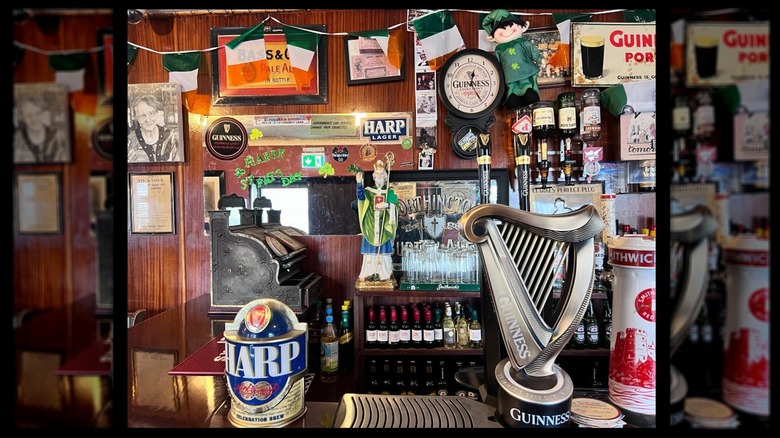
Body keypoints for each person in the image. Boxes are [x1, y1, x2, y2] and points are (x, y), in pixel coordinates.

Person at [482, 9, 542, 110]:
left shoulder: (522, 43)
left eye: (510, 26)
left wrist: (539, 60)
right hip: (509, 76)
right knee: (511, 89)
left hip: (525, 71)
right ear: (492, 37)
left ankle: (529, 91)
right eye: (502, 28)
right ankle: (512, 96)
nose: (507, 30)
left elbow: (533, 51)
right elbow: (496, 64)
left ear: (522, 27)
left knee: (529, 89)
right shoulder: (499, 50)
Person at [356, 158, 398, 282]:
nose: (379, 176)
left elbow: (395, 208)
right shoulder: (369, 191)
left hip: (383, 227)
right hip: (370, 225)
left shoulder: (389, 193)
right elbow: (361, 198)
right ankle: (368, 273)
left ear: (385, 177)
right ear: (374, 177)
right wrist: (359, 183)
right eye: (377, 174)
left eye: (381, 174)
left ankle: (384, 274)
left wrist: (388, 205)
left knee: (384, 255)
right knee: (369, 254)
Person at [13, 94, 69, 163]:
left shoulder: (58, 137)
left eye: (38, 113)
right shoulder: (16, 140)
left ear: (43, 113)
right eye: (29, 115)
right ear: (22, 117)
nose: (34, 119)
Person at [128, 94, 180, 162]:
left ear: (157, 113)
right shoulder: (130, 140)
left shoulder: (170, 136)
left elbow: (178, 164)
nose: (148, 119)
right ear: (137, 118)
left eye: (151, 113)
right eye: (142, 116)